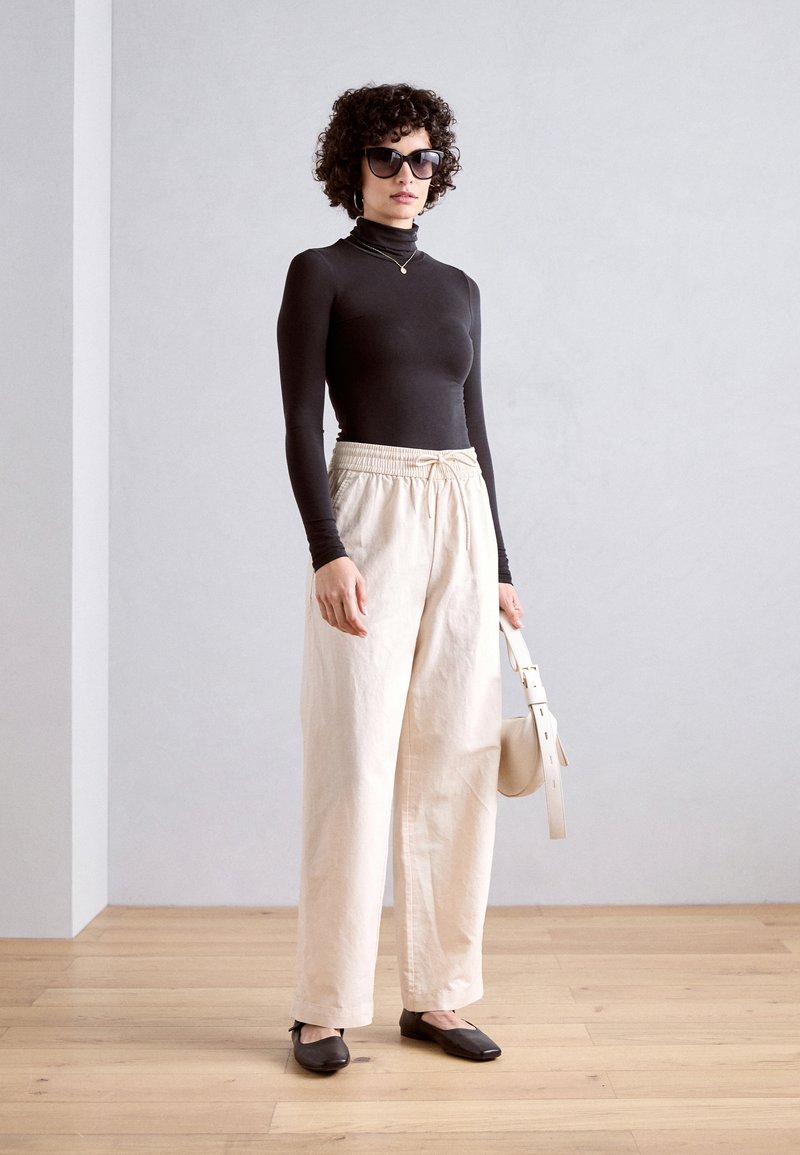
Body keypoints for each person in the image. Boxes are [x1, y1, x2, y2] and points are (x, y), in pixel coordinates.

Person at [277, 82, 524, 1074]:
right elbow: (300, 423)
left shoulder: (460, 287)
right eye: (385, 158)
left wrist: (499, 563)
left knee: (457, 754)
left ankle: (438, 994)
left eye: (422, 159)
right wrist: (326, 547)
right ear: (353, 168)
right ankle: (323, 1007)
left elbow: (477, 427)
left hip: (460, 507)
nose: (406, 176)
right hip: (369, 505)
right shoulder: (320, 272)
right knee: (353, 758)